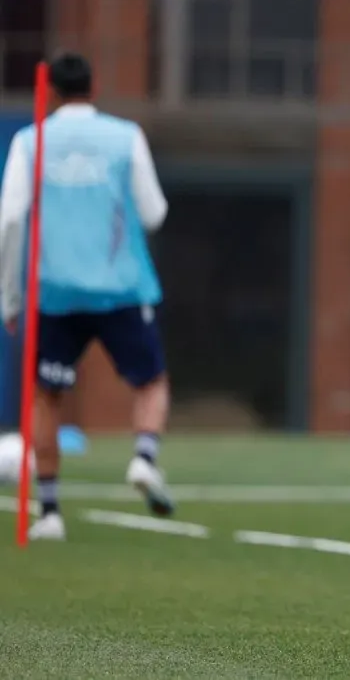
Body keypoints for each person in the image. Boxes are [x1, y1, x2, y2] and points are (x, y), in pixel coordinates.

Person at [0, 52, 174, 541]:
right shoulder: (125, 136)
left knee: (47, 395)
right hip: (120, 288)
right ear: (93, 86)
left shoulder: (30, 142)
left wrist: (10, 298)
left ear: (51, 91)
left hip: (54, 293)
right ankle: (143, 457)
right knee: (150, 381)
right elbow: (154, 211)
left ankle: (50, 512)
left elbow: (10, 220)